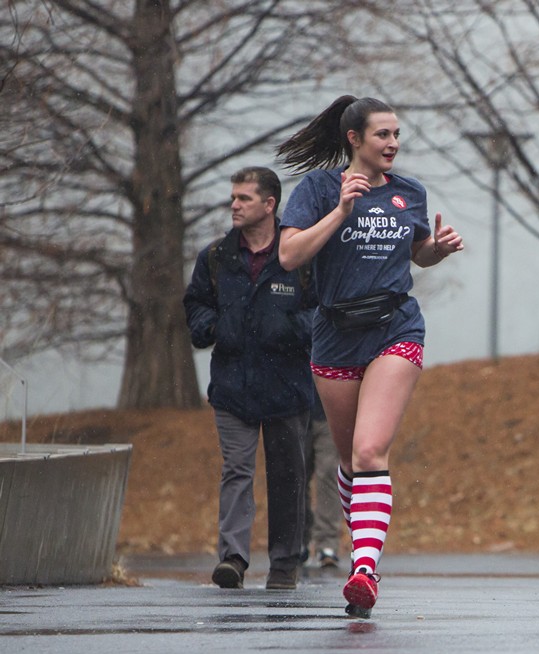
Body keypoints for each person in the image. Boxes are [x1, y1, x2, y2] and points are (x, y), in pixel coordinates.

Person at [275, 95, 464, 617]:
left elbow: (417, 252)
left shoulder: (409, 193)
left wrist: (438, 249)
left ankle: (362, 568)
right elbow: (289, 256)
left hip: (394, 328)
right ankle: (365, 553)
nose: (394, 144)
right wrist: (341, 210)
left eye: (397, 135)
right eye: (383, 135)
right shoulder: (317, 189)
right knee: (348, 462)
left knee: (369, 454)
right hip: (335, 333)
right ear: (354, 139)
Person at [184, 166, 315, 591]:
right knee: (236, 470)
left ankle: (283, 565)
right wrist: (216, 328)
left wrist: (291, 329)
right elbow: (196, 306)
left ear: (270, 204)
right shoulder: (216, 257)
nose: (235, 205)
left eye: (244, 198)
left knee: (287, 477)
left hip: (288, 388)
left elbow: (322, 313)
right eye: (233, 198)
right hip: (232, 386)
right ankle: (233, 559)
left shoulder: (300, 255)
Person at [301, 385, 344, 569]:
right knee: (296, 476)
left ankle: (327, 543)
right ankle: (298, 540)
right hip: (296, 409)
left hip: (328, 410)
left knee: (327, 473)